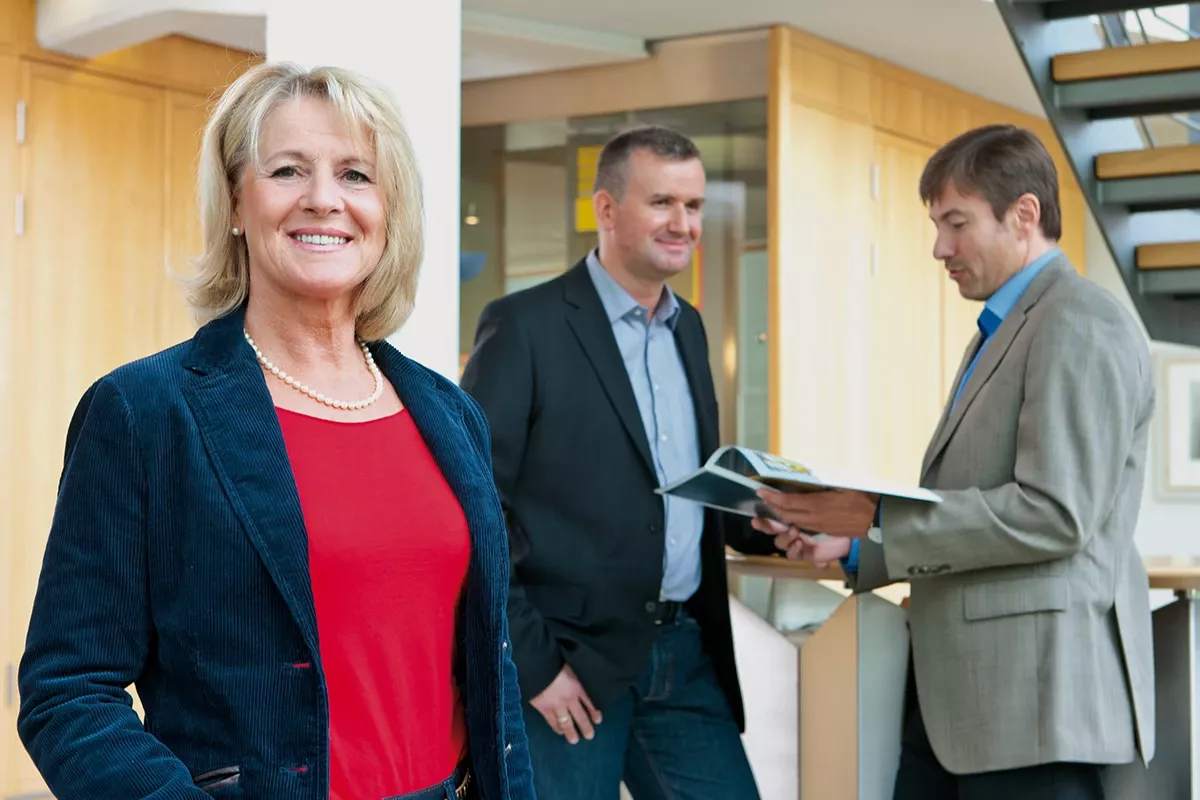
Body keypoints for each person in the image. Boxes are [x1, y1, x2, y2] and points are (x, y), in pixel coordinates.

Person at [17, 62, 534, 800]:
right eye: (288, 170)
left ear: (390, 209)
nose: (324, 199)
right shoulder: (146, 413)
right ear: (235, 201)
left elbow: (490, 664)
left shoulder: (449, 414)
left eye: (356, 174)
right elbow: (69, 689)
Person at [755, 124, 1155, 799]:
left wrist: (876, 514)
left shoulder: (1077, 321)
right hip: (965, 704)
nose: (939, 247)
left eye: (956, 223)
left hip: (1033, 707)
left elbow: (1056, 514)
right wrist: (858, 545)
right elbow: (976, 514)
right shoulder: (1004, 329)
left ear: (1024, 215)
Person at [460, 125, 777, 800]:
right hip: (569, 662)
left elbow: (681, 490)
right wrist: (534, 666)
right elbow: (473, 505)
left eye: (693, 207)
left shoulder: (688, 327)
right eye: (662, 202)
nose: (683, 224)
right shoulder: (525, 327)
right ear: (606, 209)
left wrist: (775, 518)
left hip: (684, 652)